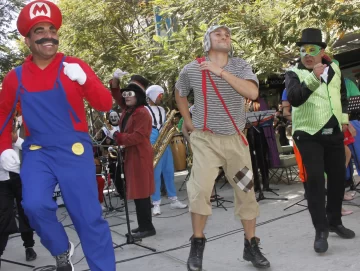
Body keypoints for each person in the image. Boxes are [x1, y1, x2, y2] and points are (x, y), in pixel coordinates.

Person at [0, 2, 116, 270]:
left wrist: (85, 80)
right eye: (39, 30)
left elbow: (105, 104)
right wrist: (4, 147)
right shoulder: (14, 78)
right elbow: (4, 117)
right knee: (33, 206)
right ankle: (61, 248)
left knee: (87, 218)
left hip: (74, 150)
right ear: (27, 39)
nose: (48, 35)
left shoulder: (75, 66)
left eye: (52, 29)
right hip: (37, 152)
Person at [175, 25, 270, 270]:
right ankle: (197, 243)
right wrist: (187, 120)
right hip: (205, 139)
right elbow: (180, 92)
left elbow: (252, 91)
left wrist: (220, 72)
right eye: (218, 34)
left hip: (236, 141)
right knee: (200, 190)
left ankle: (251, 245)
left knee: (246, 191)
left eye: (227, 34)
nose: (224, 37)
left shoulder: (239, 66)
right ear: (207, 41)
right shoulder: (192, 68)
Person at [286, 28, 355, 254]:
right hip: (307, 135)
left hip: (333, 131)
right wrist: (314, 77)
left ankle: (334, 221)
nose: (307, 54)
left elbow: (342, 96)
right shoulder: (293, 73)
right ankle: (321, 230)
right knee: (315, 181)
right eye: (303, 50)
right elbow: (295, 99)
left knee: (337, 179)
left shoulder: (335, 68)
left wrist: (344, 120)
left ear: (321, 51)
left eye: (312, 49)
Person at [110, 73, 156, 239]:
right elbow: (116, 94)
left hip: (140, 155)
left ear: (139, 96)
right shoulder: (129, 109)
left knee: (142, 191)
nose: (126, 96)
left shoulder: (142, 113)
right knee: (137, 191)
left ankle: (148, 227)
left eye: (131, 93)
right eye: (126, 93)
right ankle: (143, 225)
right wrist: (115, 79)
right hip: (132, 154)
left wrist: (119, 138)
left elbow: (138, 136)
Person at [0, 114, 37, 268]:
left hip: (19, 176)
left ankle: (29, 246)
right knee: (3, 217)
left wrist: (16, 139)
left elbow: (31, 146)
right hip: (1, 180)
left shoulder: (16, 121)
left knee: (25, 212)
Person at [145, 85, 188, 215]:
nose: (161, 98)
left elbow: (164, 124)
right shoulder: (143, 110)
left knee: (169, 171)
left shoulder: (162, 110)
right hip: (152, 141)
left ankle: (173, 199)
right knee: (156, 174)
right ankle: (156, 203)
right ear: (152, 95)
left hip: (164, 141)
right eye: (159, 95)